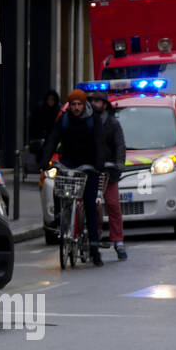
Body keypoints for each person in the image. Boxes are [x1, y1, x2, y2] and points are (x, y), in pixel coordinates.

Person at [42, 88, 106, 266]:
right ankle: (58, 220)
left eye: (79, 104)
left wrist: (99, 164)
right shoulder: (64, 120)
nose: (76, 108)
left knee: (89, 204)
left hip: (89, 165)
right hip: (69, 162)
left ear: (84, 104)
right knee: (59, 190)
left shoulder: (93, 120)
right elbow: (53, 139)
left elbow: (100, 143)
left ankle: (94, 248)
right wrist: (45, 160)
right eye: (73, 105)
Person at [88, 90, 128, 260]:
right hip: (91, 170)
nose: (94, 104)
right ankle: (93, 236)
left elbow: (120, 146)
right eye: (92, 101)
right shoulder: (87, 122)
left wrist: (118, 164)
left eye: (98, 101)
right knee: (91, 206)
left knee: (112, 205)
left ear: (104, 105)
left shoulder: (112, 124)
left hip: (108, 171)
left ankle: (118, 241)